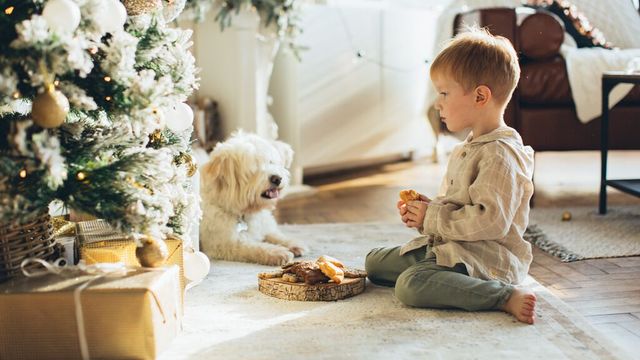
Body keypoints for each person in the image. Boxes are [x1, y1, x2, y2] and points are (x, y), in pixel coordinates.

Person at [365, 26, 537, 324]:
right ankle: (440, 277)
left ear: (480, 96)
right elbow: (461, 205)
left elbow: (490, 222)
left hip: (485, 258)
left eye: (444, 93)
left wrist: (432, 217)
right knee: (374, 263)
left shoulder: (500, 154)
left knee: (411, 285)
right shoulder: (469, 146)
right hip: (455, 246)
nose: (438, 103)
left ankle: (502, 295)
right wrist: (428, 210)